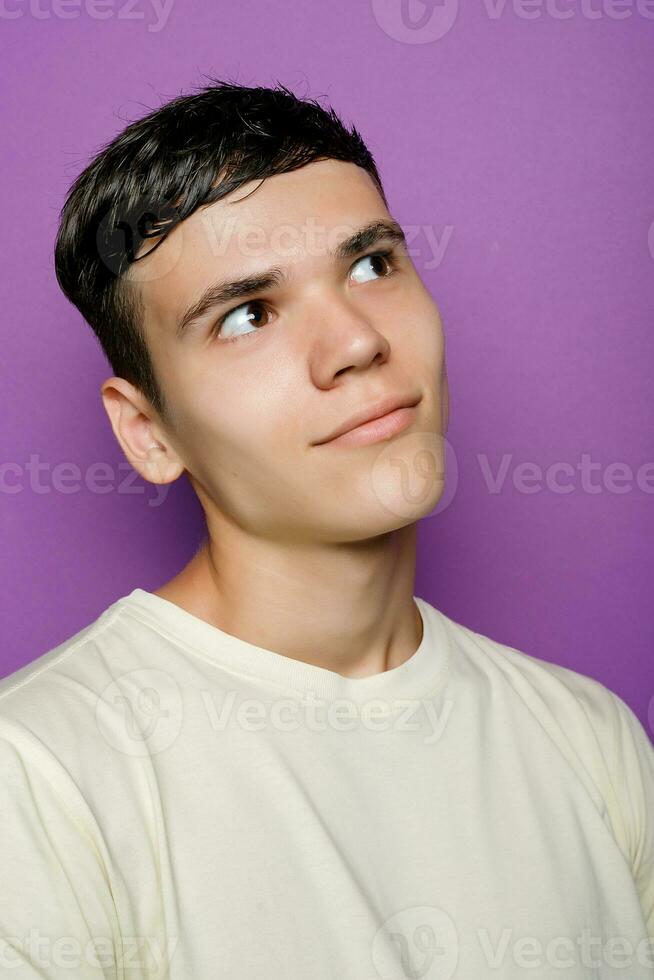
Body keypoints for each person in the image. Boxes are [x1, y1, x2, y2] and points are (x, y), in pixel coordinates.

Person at [1, 77, 652, 979]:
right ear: (147, 433)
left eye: (371, 264)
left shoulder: (591, 739)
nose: (355, 341)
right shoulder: (37, 779)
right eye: (247, 315)